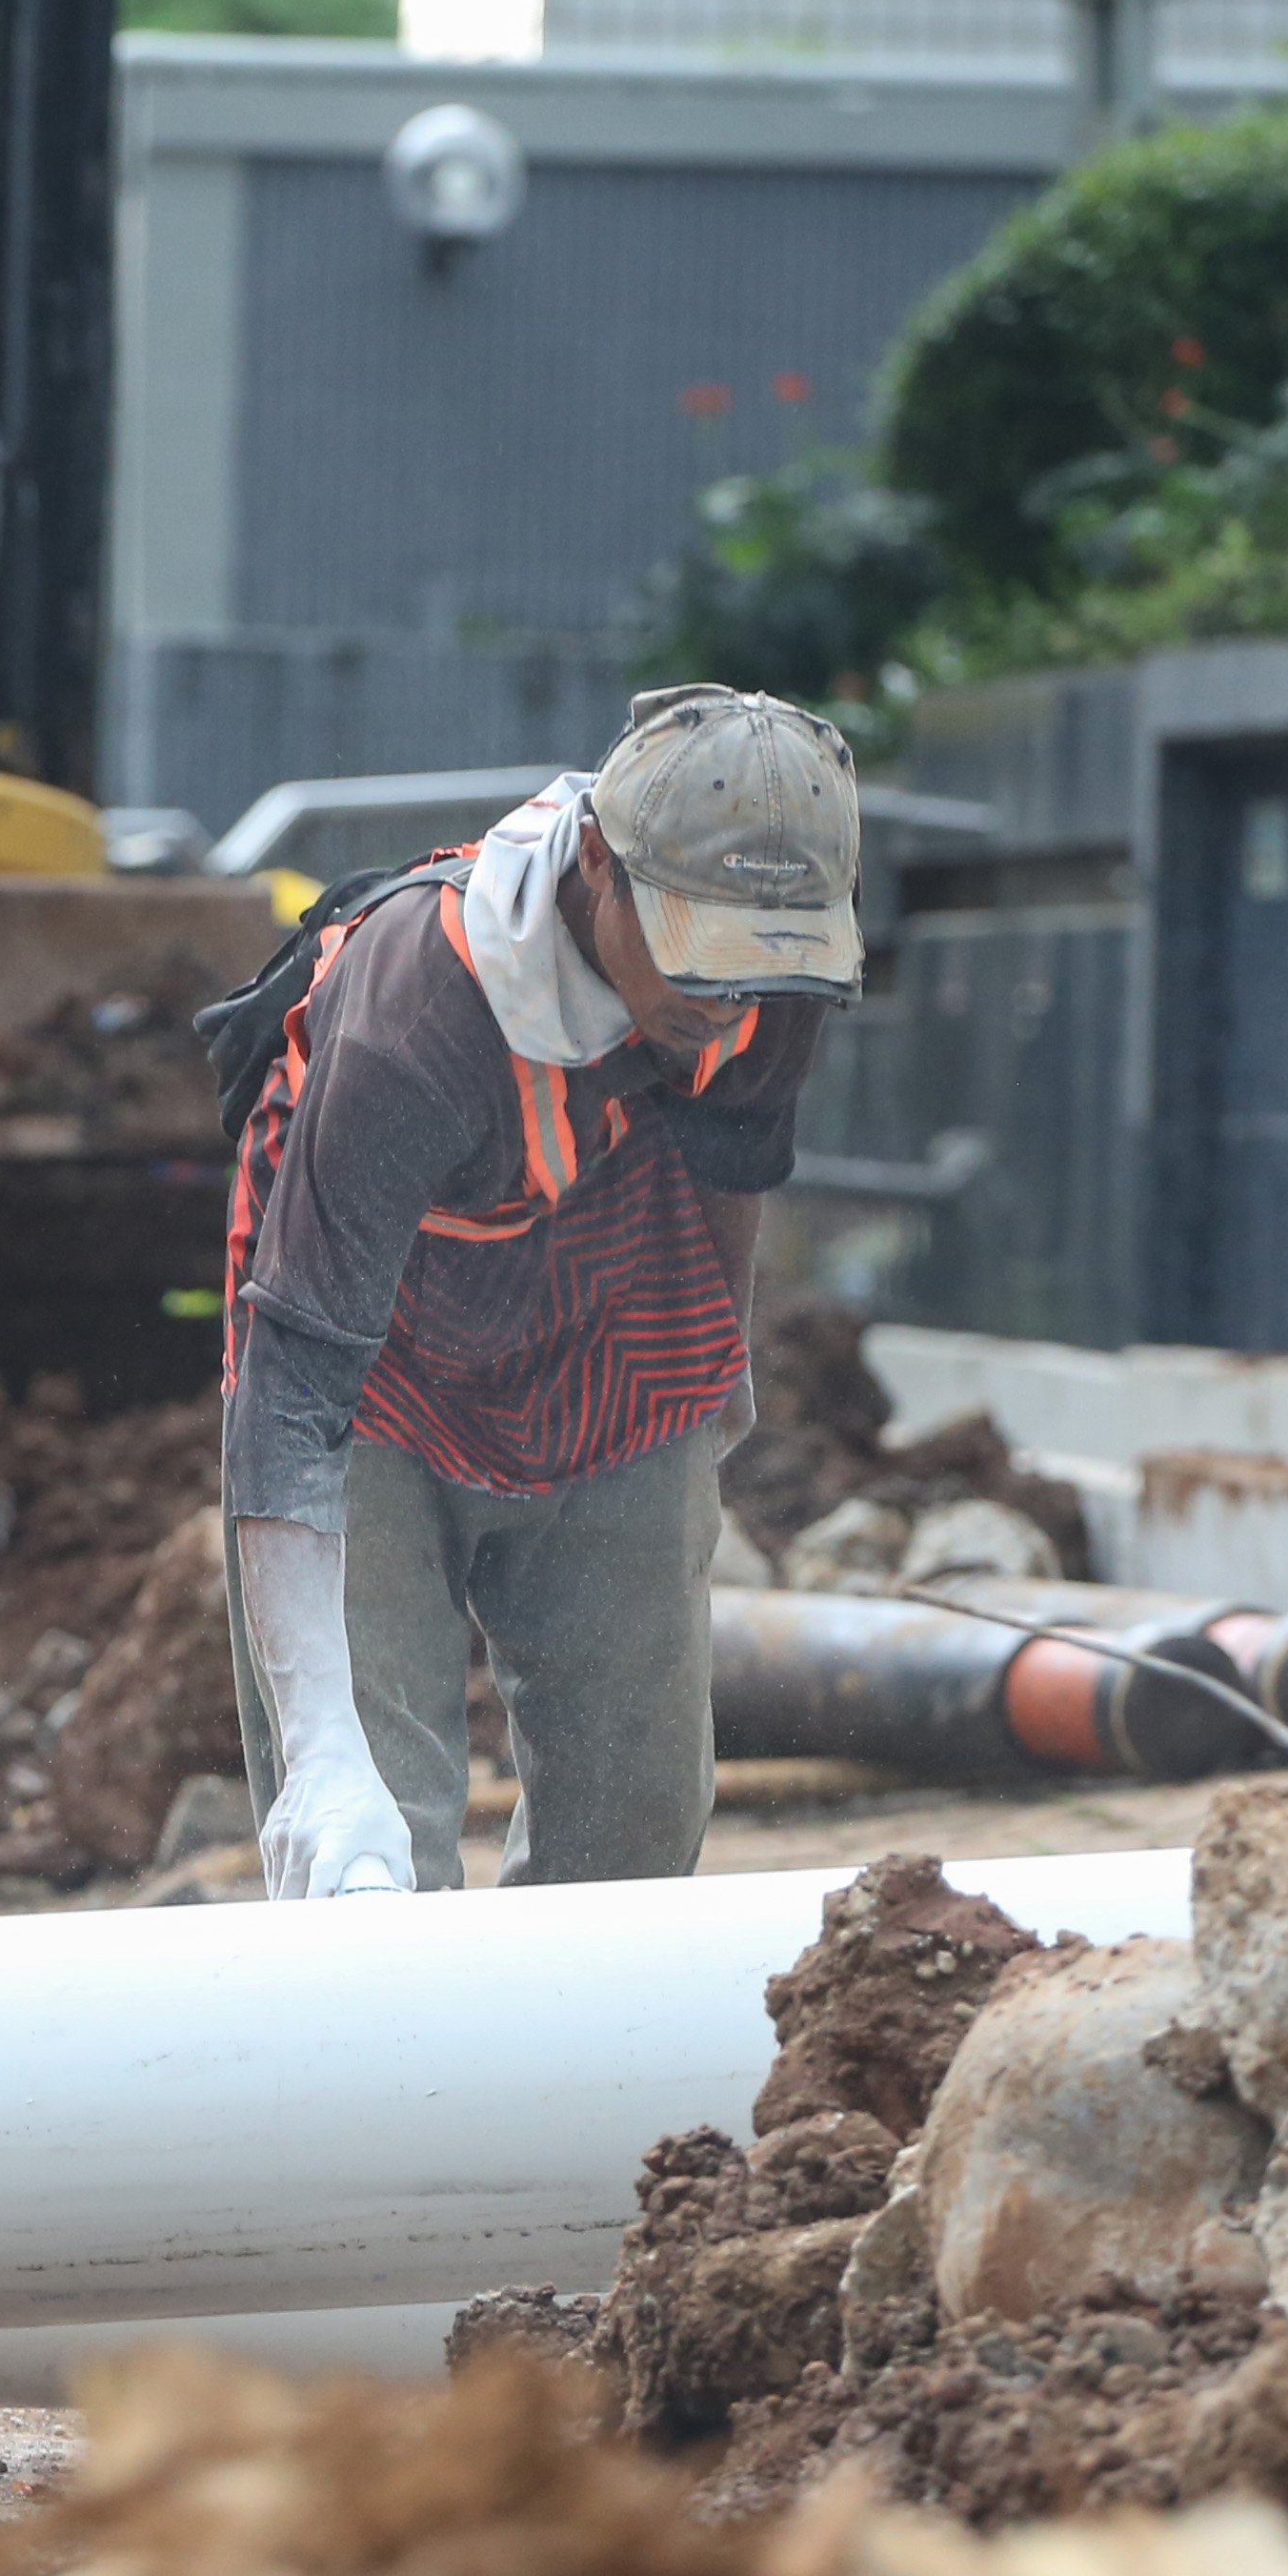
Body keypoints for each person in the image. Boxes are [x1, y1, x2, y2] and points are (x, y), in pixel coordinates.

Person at [219, 686, 855, 1898]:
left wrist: (714, 1374)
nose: (726, 997)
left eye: (758, 967)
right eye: (698, 950)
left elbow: (734, 1160)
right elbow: (292, 1393)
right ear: (599, 869)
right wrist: (317, 1757)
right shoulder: (416, 1013)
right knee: (373, 1847)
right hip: (376, 1375)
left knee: (634, 1830)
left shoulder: (778, 956)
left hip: (622, 1335)